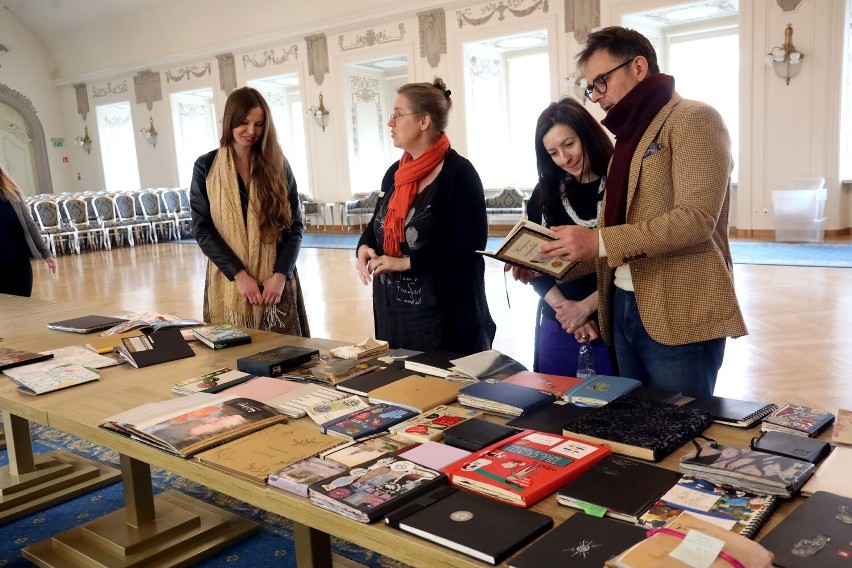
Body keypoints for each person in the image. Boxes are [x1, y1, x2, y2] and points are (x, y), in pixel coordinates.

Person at [538, 26, 747, 397]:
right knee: (637, 425)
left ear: (637, 66)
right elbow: (620, 236)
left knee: (680, 428)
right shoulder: (629, 137)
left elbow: (696, 218)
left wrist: (597, 240)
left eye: (601, 82)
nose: (597, 96)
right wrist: (546, 261)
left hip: (677, 306)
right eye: (591, 87)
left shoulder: (694, 118)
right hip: (622, 303)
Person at [355, 78, 495, 355]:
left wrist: (405, 263)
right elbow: (377, 225)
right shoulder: (395, 172)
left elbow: (471, 245)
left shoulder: (459, 174)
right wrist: (363, 246)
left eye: (397, 114)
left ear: (424, 121)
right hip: (394, 312)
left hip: (445, 315)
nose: (390, 123)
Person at [190, 87, 309, 336]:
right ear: (230, 121)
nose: (251, 131)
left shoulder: (278, 164)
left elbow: (295, 226)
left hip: (275, 286)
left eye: (259, 124)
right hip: (229, 283)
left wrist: (280, 276)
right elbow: (203, 229)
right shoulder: (206, 167)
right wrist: (240, 276)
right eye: (244, 122)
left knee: (285, 359)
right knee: (232, 361)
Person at [521, 98, 616, 376]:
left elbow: (631, 258)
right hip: (558, 320)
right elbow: (534, 265)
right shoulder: (544, 193)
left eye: (569, 144)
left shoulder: (621, 184)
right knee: (554, 409)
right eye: (553, 152)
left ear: (587, 135)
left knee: (614, 409)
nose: (564, 159)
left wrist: (586, 308)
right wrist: (568, 313)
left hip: (610, 320)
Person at [0, 166, 56, 296]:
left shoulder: (12, 193)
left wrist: (45, 252)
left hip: (18, 264)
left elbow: (29, 224)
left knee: (23, 307)